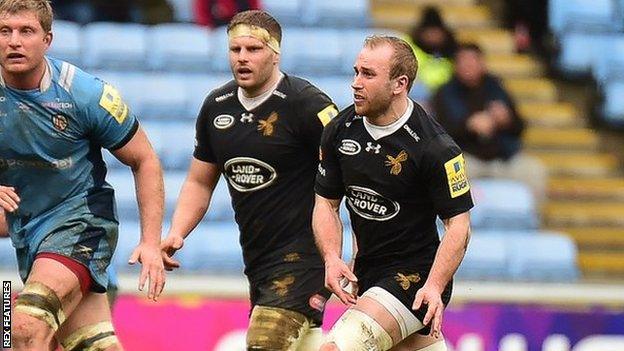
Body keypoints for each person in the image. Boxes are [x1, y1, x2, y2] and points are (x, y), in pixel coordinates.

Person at [160, 10, 338, 350]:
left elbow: (350, 174)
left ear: (275, 53)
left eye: (253, 50)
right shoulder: (217, 106)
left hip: (305, 259)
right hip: (258, 262)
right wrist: (177, 232)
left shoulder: (307, 104)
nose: (242, 58)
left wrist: (351, 251)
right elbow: (200, 181)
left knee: (264, 342)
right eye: (235, 49)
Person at [0, 1, 166, 350]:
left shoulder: (85, 94)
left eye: (25, 31)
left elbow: (145, 159)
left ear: (47, 39)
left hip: (82, 224)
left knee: (25, 326)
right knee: (93, 346)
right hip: (29, 236)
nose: (14, 41)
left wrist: (151, 242)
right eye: (5, 31)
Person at [314, 35, 473, 351]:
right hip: (368, 273)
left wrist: (435, 285)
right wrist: (332, 258)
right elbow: (326, 204)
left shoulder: (435, 148)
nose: (356, 83)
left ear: (399, 84)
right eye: (356, 71)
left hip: (415, 278)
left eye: (368, 74)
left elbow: (459, 227)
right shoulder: (339, 130)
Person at [432, 43, 546, 200]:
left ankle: (529, 221)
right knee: (450, 175)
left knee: (534, 170)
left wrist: (506, 121)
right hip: (466, 158)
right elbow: (438, 134)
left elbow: (520, 127)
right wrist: (468, 125)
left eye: (473, 61)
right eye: (463, 61)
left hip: (502, 157)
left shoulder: (496, 87)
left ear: (482, 63)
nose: (468, 66)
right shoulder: (445, 93)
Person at [403, 6, 457, 97]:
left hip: (445, 95)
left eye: (436, 32)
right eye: (429, 32)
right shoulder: (409, 48)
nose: (433, 36)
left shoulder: (452, 50)